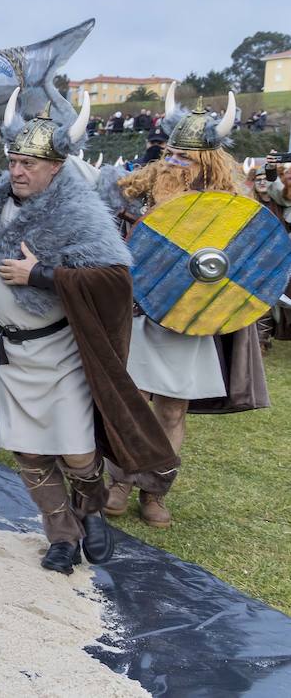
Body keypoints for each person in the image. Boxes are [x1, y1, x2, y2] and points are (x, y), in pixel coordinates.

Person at [0, 89, 177, 574]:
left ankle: (91, 508)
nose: (18, 171)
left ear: (57, 167)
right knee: (28, 450)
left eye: (29, 164)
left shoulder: (79, 213)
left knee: (78, 451)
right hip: (6, 350)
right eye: (14, 160)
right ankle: (61, 536)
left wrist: (42, 276)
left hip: (58, 353)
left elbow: (114, 281)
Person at [100, 92, 269, 527]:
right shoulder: (131, 199)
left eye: (185, 157)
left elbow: (249, 263)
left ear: (207, 164)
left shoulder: (227, 212)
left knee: (173, 410)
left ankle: (155, 490)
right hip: (137, 316)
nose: (174, 163)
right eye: (170, 153)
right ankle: (118, 479)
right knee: (132, 402)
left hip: (190, 320)